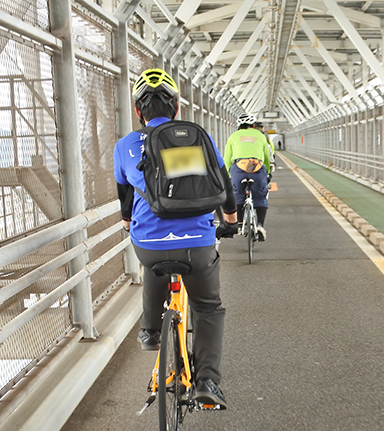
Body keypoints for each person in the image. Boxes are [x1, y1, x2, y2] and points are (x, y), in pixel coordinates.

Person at [113, 68, 238, 408]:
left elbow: (125, 200)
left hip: (149, 244)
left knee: (153, 263)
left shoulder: (125, 146)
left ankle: (150, 331)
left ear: (138, 110)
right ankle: (208, 382)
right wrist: (230, 220)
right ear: (177, 109)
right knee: (207, 306)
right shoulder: (198, 139)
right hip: (196, 243)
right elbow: (223, 187)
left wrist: (129, 224)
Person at [223, 114, 274, 241]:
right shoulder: (260, 136)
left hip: (239, 168)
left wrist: (230, 175)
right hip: (256, 167)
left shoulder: (233, 136)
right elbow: (267, 157)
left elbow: (227, 159)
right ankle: (260, 226)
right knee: (260, 196)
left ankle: (239, 224)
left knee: (237, 195)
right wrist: (267, 173)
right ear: (253, 126)